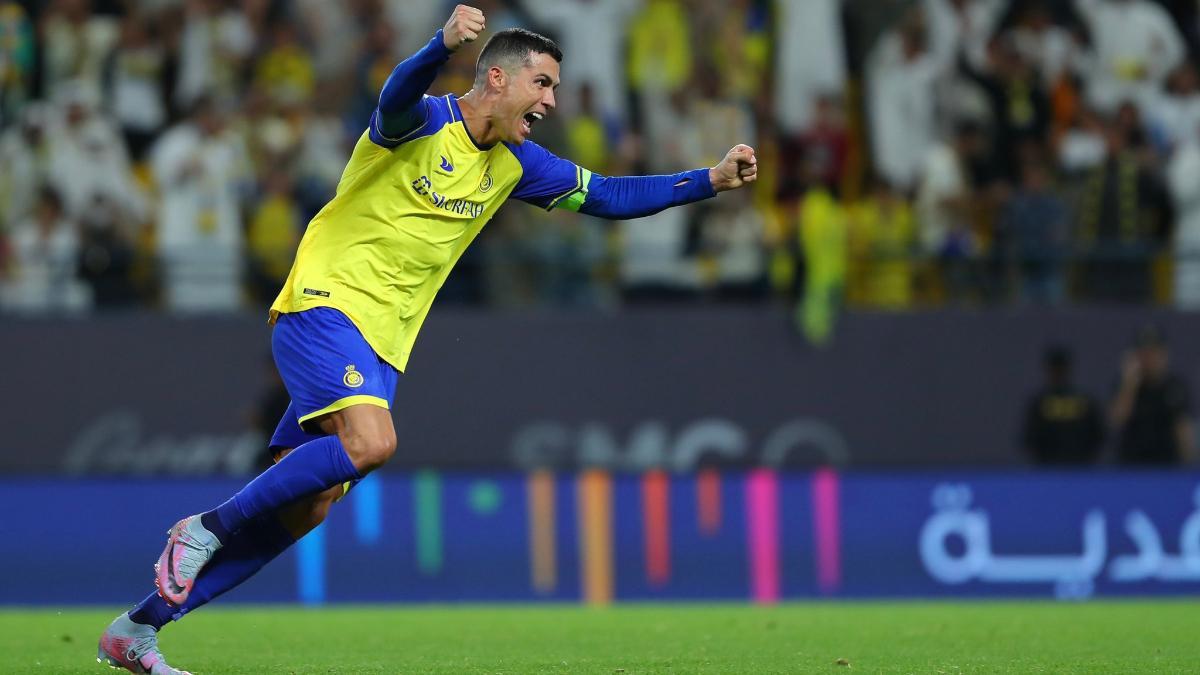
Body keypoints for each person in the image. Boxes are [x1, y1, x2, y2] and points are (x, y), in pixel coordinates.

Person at [97, 6, 758, 674]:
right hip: (325, 304)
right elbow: (394, 96)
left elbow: (610, 194)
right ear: (496, 79)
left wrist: (708, 180)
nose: (552, 101)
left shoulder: (516, 165)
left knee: (307, 507)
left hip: (383, 345)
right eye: (543, 84)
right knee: (372, 443)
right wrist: (438, 45)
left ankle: (138, 629)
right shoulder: (421, 122)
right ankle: (203, 528)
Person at [1109, 325, 1195, 466]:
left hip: (1167, 466)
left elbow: (1183, 429)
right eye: (1143, 353)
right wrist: (1129, 384)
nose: (1149, 359)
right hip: (1130, 466)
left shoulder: (1175, 386)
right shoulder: (1125, 385)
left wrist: (1187, 466)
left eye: (1154, 352)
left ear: (1164, 354)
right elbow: (1116, 421)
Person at [1021, 345, 1105, 465]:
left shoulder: (1085, 402)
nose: (1057, 374)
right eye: (1054, 369)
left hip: (1080, 469)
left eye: (1060, 369)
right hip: (1048, 470)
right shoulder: (1038, 404)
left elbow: (1097, 436)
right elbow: (1029, 438)